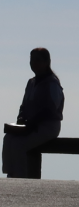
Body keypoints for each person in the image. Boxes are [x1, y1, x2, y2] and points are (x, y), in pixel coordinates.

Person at [2, 48, 65, 178]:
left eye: (37, 60)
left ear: (46, 62)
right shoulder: (31, 82)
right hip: (30, 125)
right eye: (31, 60)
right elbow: (23, 106)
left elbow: (51, 109)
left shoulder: (52, 83)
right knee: (8, 138)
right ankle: (10, 174)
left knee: (19, 144)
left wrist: (33, 123)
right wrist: (21, 118)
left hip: (48, 126)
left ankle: (21, 177)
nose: (33, 63)